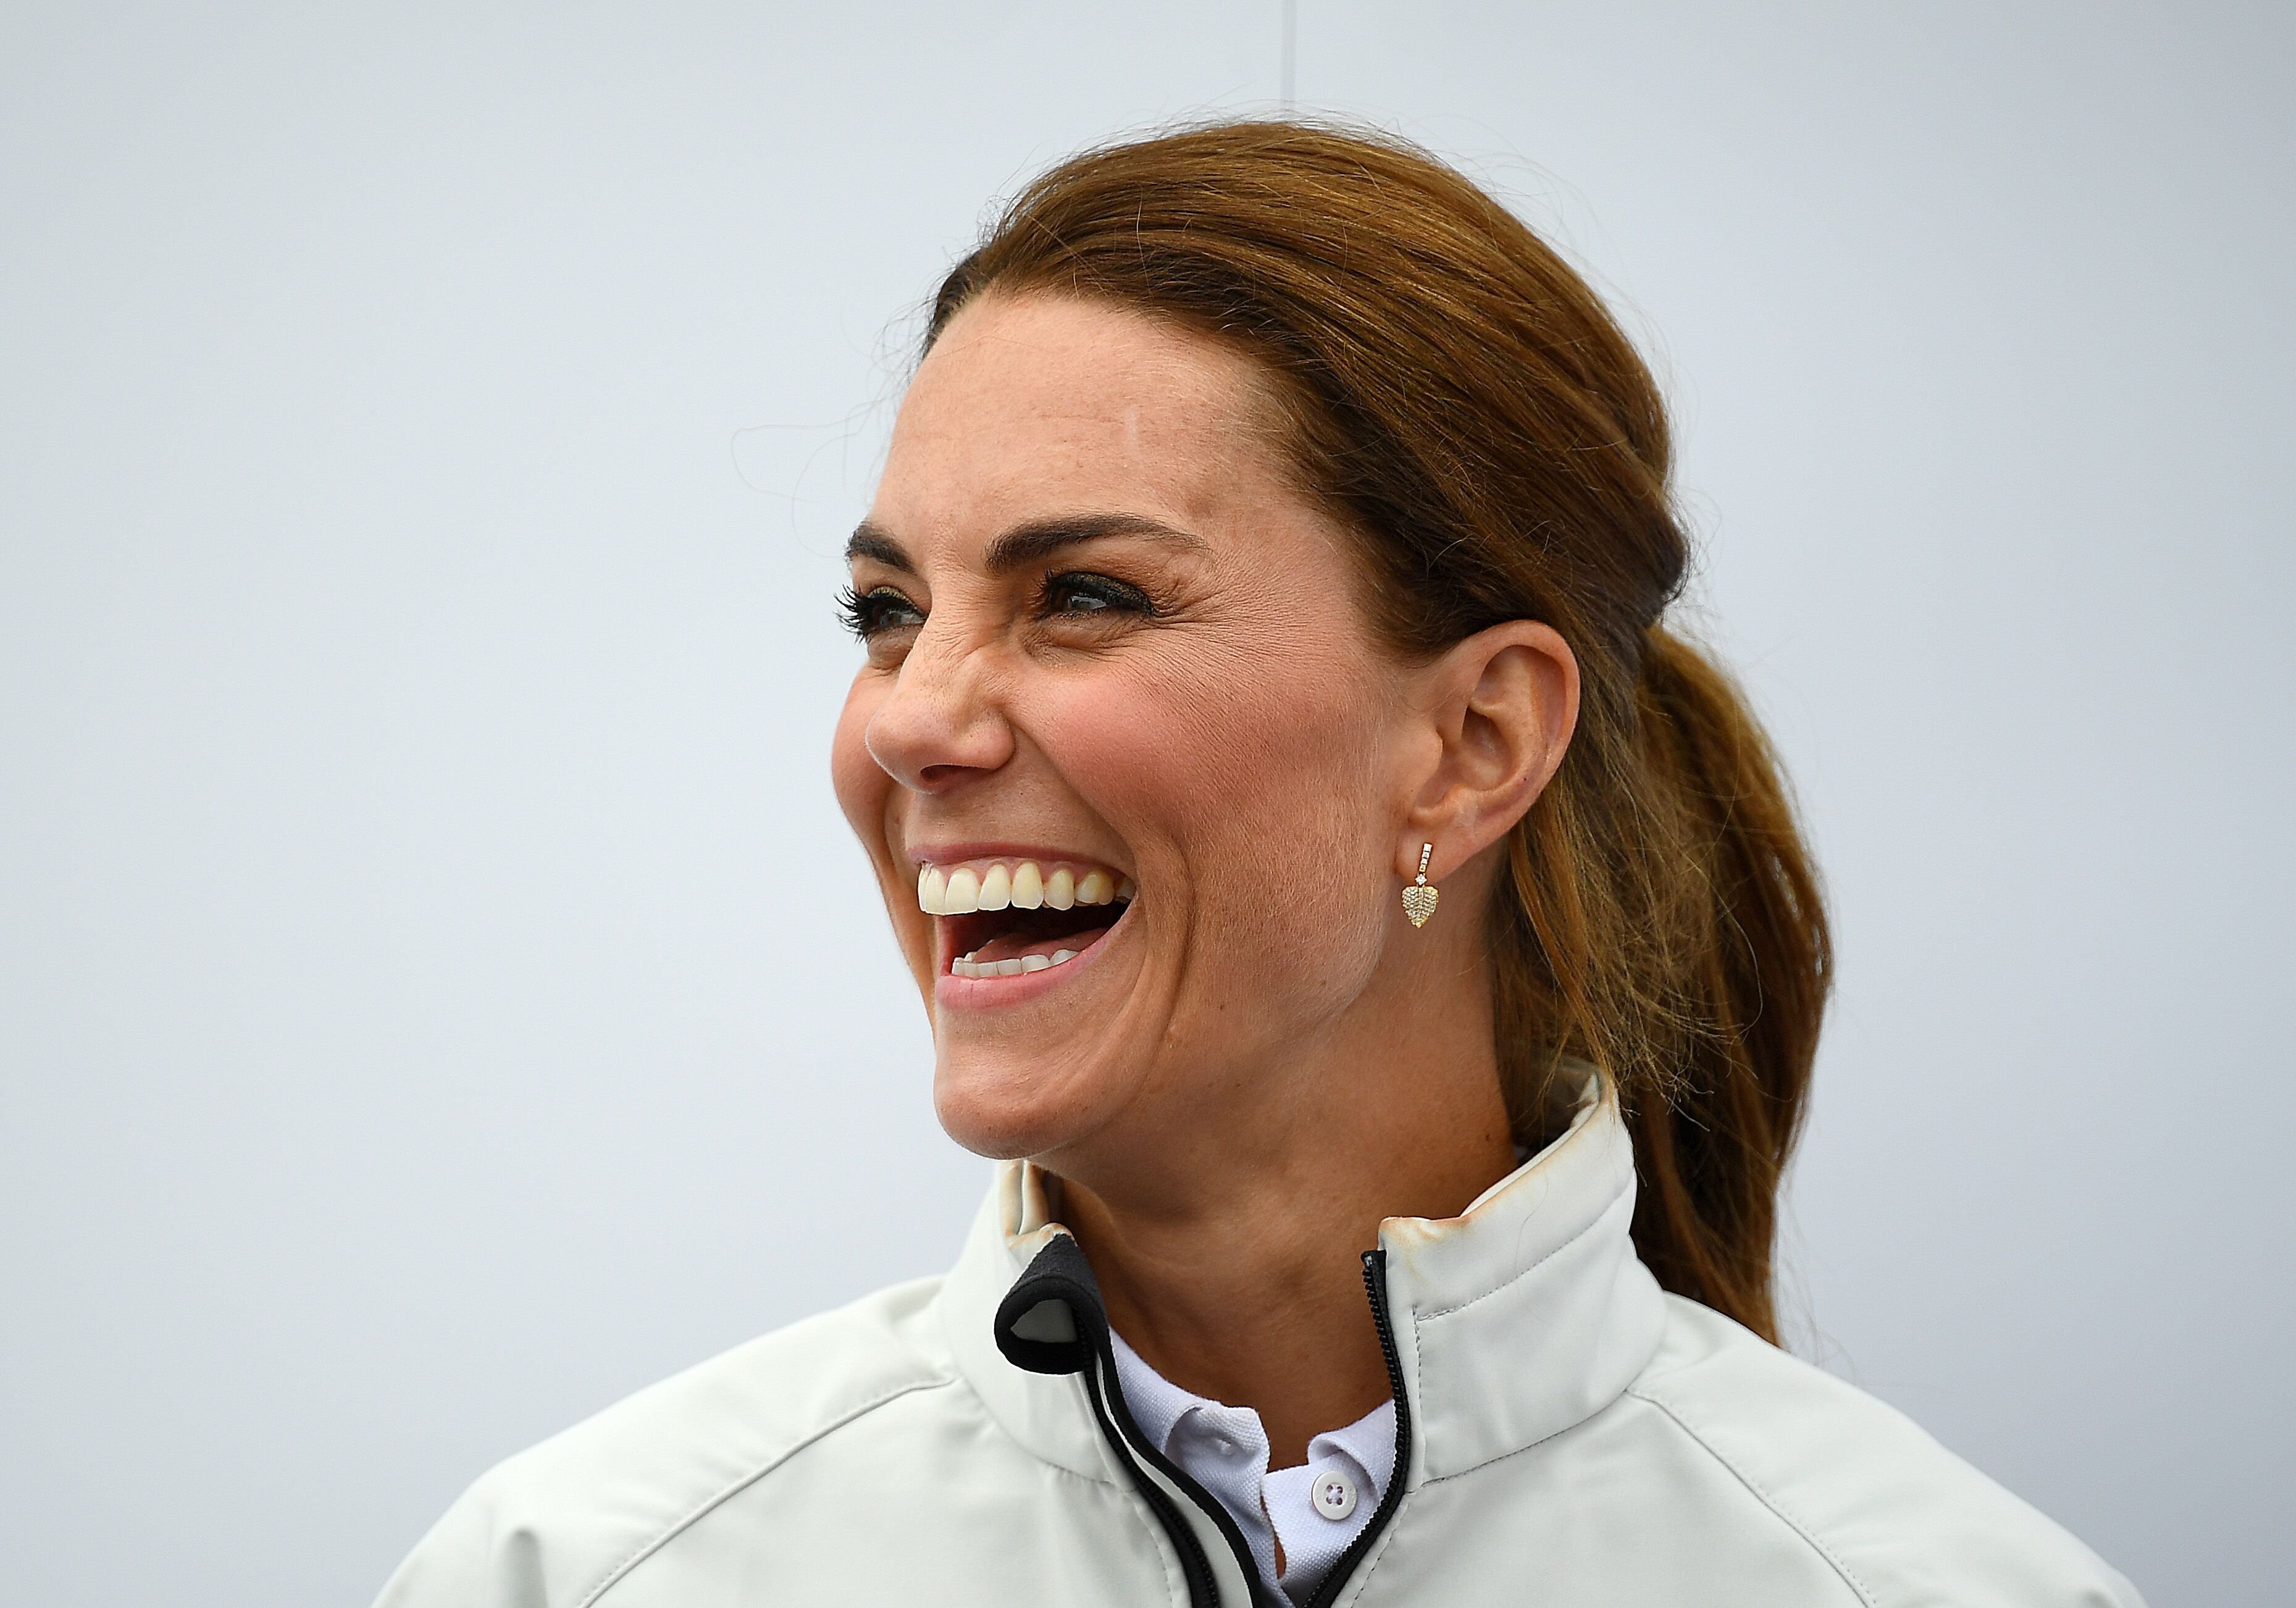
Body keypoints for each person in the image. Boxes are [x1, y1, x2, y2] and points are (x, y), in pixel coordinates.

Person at [375, 121, 2142, 1607]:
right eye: (887, 613)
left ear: (1473, 743)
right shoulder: (586, 1571)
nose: (914, 719)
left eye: (1084, 596)